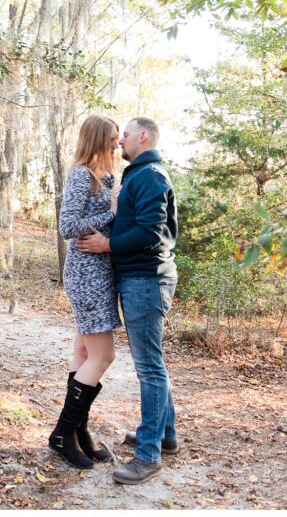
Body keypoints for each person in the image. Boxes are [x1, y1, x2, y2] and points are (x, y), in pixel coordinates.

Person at [76, 117, 179, 485]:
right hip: (137, 278)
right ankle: (164, 435)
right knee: (153, 363)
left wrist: (108, 244)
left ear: (143, 136)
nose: (120, 141)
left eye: (127, 134)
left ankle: (148, 455)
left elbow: (151, 232)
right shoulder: (138, 174)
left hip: (146, 279)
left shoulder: (150, 175)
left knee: (149, 367)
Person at [47, 115, 123, 469]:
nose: (116, 144)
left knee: (83, 351)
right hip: (86, 274)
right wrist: (111, 214)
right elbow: (67, 227)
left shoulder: (107, 178)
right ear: (96, 140)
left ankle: (78, 432)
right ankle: (63, 433)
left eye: (119, 137)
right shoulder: (82, 175)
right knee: (102, 356)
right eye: (111, 138)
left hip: (100, 273)